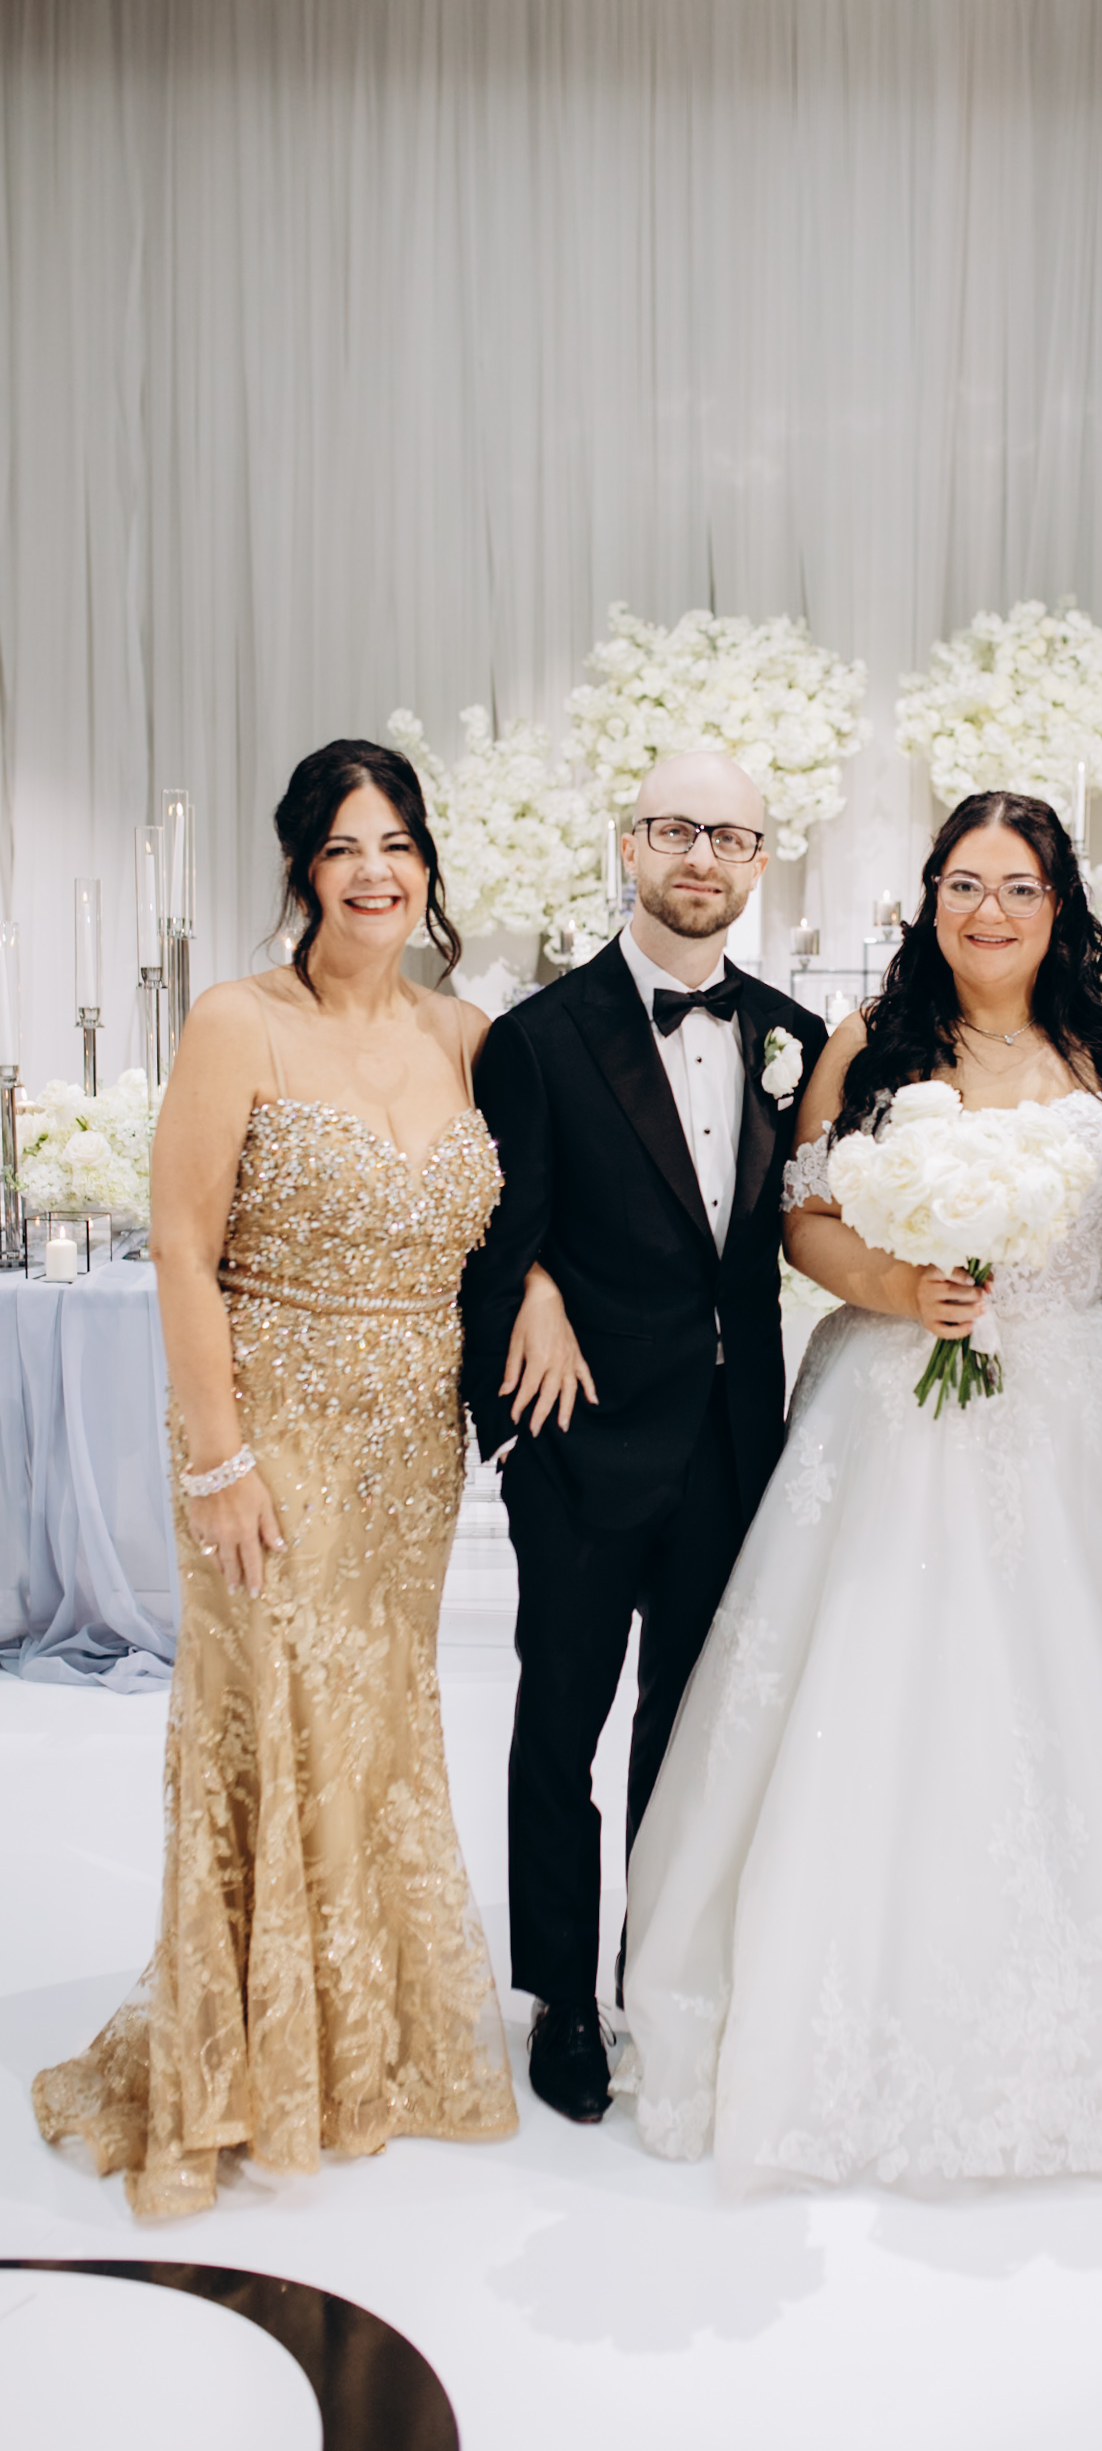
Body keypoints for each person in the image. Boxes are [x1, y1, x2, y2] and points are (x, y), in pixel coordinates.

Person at [611, 790, 1102, 2194]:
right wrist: (903, 1286)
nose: (989, 911)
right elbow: (802, 1219)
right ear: (931, 898)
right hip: (897, 1396)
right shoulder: (871, 1040)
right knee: (877, 1675)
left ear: (1057, 905)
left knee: (1082, 1682)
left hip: (1076, 1405)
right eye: (964, 884)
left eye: (1018, 887)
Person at [33, 740, 518, 2217]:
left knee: (376, 1726)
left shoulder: (467, 1034)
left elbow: (522, 1230)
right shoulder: (240, 1022)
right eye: (344, 847)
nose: (375, 873)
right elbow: (184, 1246)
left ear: (427, 867)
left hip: (409, 1451)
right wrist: (220, 1459)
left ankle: (362, 2040)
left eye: (397, 846)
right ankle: (248, 2064)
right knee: (275, 1719)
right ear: (304, 869)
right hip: (273, 1434)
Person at [460, 751, 827, 2125]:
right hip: (581, 1440)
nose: (701, 857)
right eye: (676, 830)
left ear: (760, 860)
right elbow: (487, 1240)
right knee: (560, 1726)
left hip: (733, 1443)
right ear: (630, 845)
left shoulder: (792, 1034)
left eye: (730, 836)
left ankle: (658, 1967)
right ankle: (561, 1994)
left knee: (690, 1724)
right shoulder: (538, 1039)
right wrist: (528, 1314)